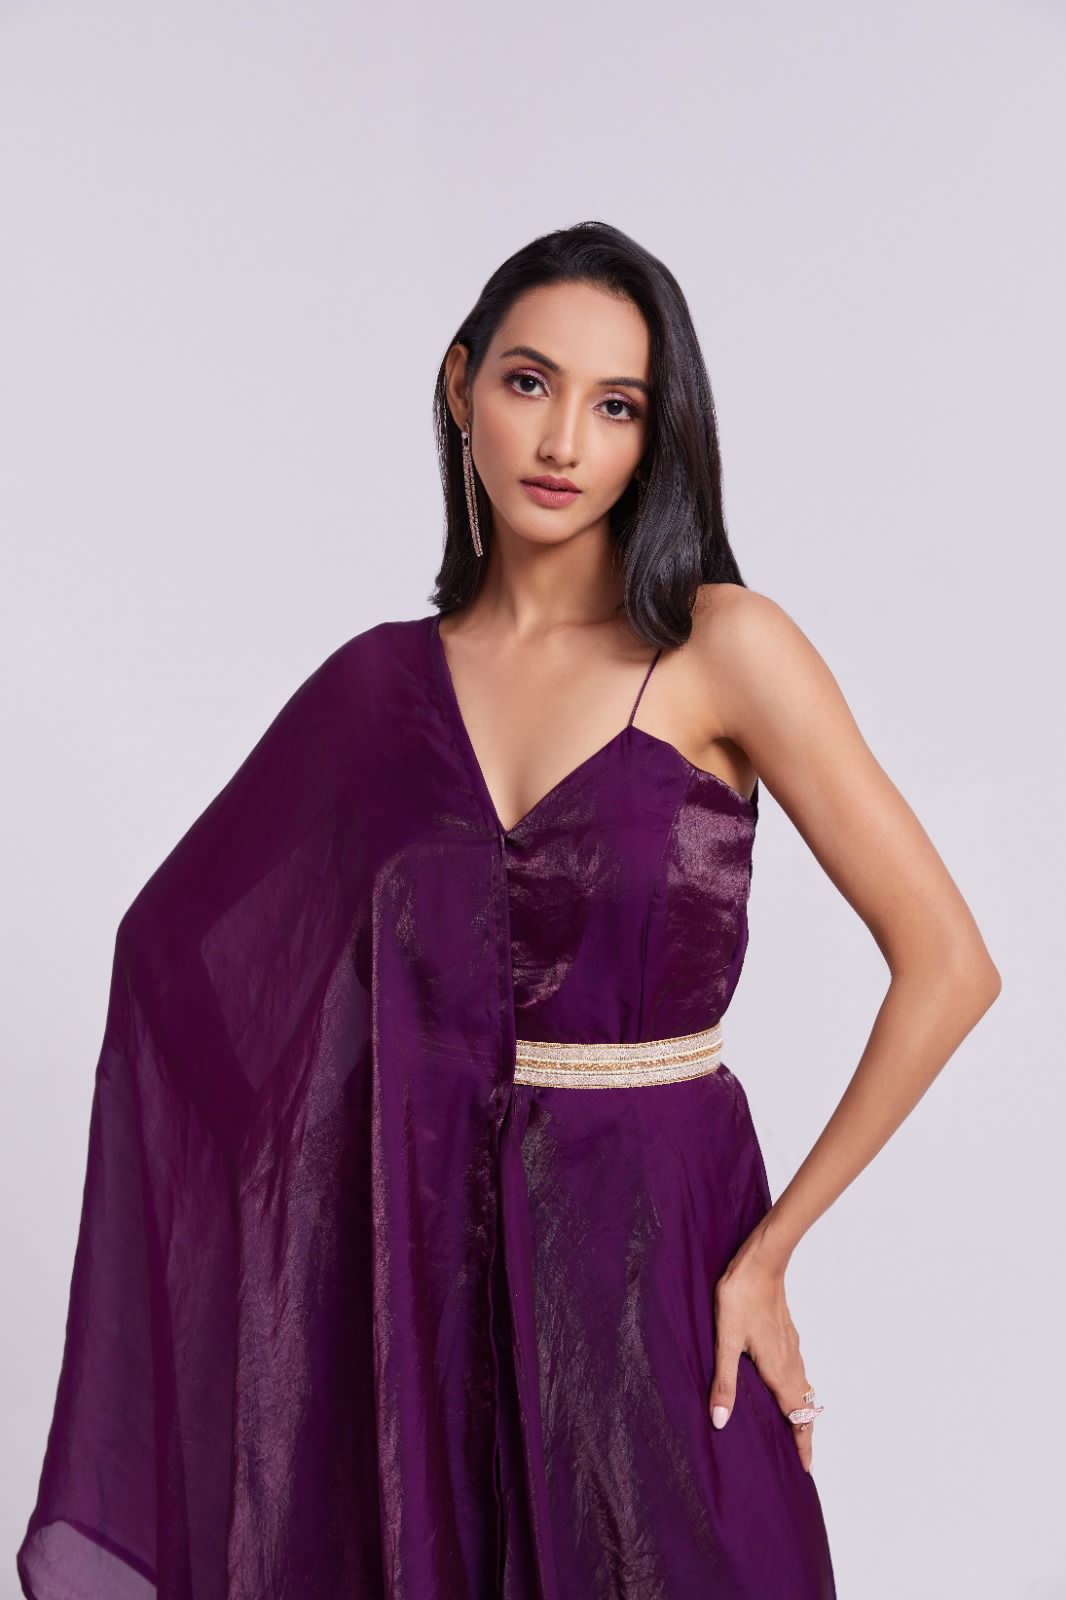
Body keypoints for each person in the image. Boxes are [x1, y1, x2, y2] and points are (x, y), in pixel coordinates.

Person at [17, 220, 1001, 1600]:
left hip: (658, 1250)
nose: (562, 440)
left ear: (657, 433)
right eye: (530, 383)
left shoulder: (724, 646)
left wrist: (768, 1256)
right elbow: (178, 960)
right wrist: (328, 1191)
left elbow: (949, 964)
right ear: (460, 384)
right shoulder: (375, 690)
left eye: (616, 406)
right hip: (430, 1267)